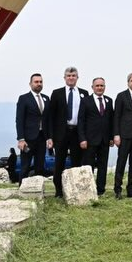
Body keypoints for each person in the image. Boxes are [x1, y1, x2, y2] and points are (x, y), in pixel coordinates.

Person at [49, 66, 89, 198]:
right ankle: (59, 191)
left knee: (76, 162)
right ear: (64, 78)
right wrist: (51, 137)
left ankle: (75, 189)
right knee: (59, 162)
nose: (71, 78)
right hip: (61, 133)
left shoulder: (84, 93)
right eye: (68, 76)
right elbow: (51, 117)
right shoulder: (57, 93)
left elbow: (87, 116)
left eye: (73, 76)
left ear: (77, 78)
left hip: (77, 132)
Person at [78, 77, 114, 196]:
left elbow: (111, 120)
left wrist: (111, 137)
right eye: (97, 86)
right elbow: (81, 121)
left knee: (103, 166)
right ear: (92, 87)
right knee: (89, 166)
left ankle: (100, 190)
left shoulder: (109, 101)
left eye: (102, 86)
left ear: (105, 87)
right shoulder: (86, 101)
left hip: (104, 140)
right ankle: (88, 190)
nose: (99, 88)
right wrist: (82, 138)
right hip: (90, 140)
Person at [16, 73, 51, 180]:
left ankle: (38, 189)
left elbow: (48, 120)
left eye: (41, 82)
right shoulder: (24, 98)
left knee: (40, 166)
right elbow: (19, 120)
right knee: (25, 166)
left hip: (42, 138)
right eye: (36, 82)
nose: (39, 84)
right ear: (30, 84)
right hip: (28, 139)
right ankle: (22, 190)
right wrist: (21, 139)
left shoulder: (46, 98)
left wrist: (49, 137)